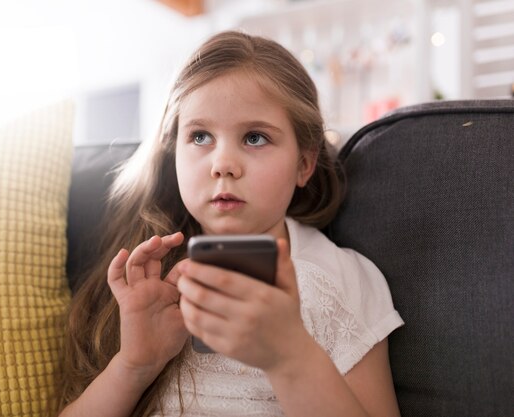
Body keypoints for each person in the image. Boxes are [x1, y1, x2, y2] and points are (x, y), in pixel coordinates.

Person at [57, 30, 404, 417]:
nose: (223, 164)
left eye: (255, 138)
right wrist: (135, 364)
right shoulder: (148, 280)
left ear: (304, 164)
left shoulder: (343, 278)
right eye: (201, 136)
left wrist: (291, 356)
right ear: (174, 151)